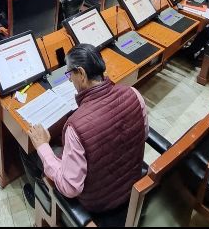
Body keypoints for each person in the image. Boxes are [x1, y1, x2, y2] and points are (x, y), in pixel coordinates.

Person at [25, 44, 148, 226]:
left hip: (99, 204)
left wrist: (42, 146)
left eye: (70, 75)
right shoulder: (134, 94)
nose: (70, 81)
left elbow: (70, 187)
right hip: (132, 184)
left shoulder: (76, 126)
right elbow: (142, 135)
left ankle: (42, 201)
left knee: (32, 153)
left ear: (81, 74)